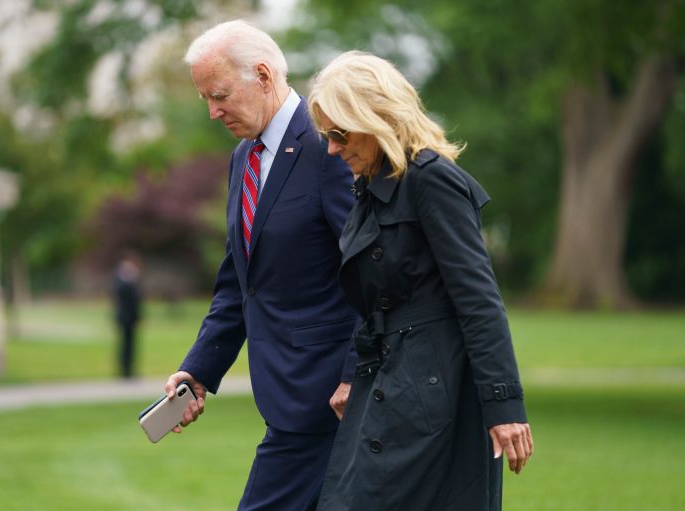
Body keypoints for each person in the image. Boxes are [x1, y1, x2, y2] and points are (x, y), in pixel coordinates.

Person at [307, 51, 534, 511]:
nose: (332, 148)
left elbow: (479, 300)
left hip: (434, 391)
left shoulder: (432, 180)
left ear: (374, 116)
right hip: (387, 381)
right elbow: (376, 301)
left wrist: (504, 405)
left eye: (338, 132)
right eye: (326, 136)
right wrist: (351, 377)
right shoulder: (370, 189)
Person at [163, 20, 358, 511]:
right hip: (286, 399)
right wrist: (197, 371)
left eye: (220, 94)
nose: (212, 111)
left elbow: (372, 271)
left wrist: (358, 373)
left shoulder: (327, 149)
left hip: (332, 400)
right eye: (205, 98)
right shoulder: (243, 158)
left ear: (265, 76)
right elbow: (238, 286)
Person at [112, 254, 143, 379]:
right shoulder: (124, 283)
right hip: (126, 319)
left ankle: (129, 369)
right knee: (126, 345)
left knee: (130, 345)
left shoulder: (125, 282)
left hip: (130, 319)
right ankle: (125, 370)